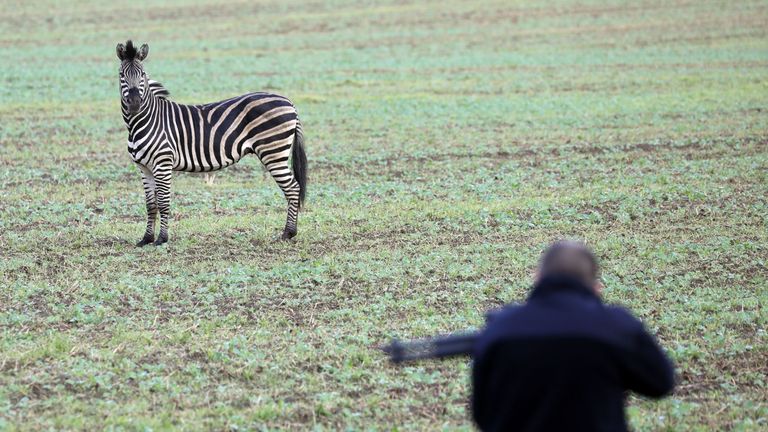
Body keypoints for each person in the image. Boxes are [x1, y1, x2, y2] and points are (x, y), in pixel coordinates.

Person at [471, 240, 675, 432]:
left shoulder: (501, 327)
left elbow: (482, 414)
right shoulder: (615, 326)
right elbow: (661, 383)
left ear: (537, 277)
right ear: (595, 286)